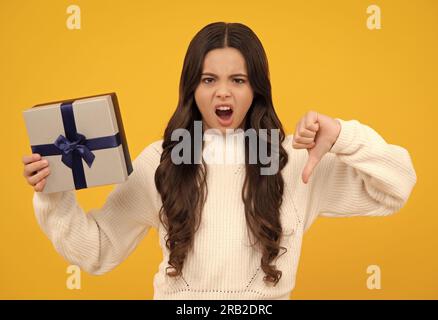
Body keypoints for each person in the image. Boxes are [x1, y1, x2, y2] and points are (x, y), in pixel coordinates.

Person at [22, 22, 417, 300]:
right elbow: (97, 250)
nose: (223, 93)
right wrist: (53, 195)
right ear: (192, 89)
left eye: (238, 80)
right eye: (209, 79)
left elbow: (396, 188)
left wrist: (343, 136)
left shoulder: (294, 160)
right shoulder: (161, 160)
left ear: (256, 89)